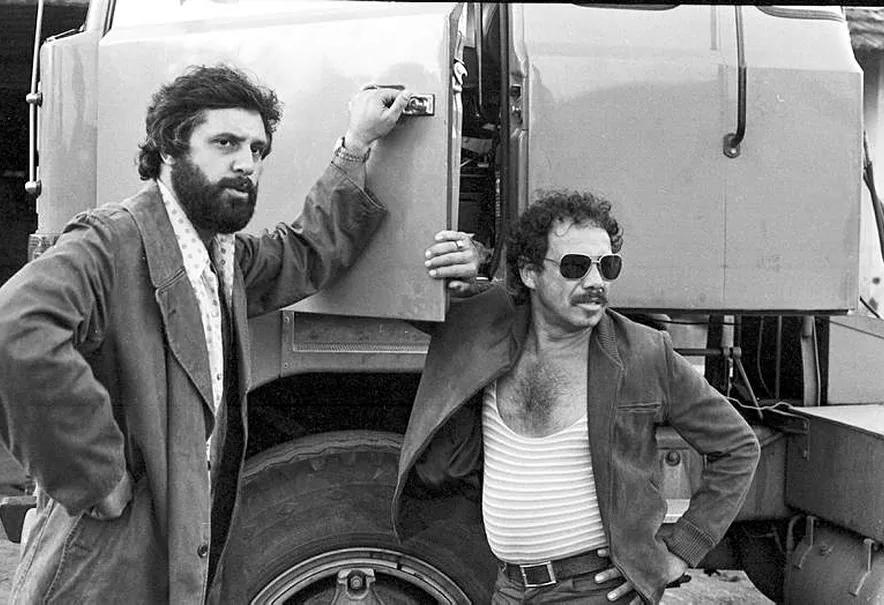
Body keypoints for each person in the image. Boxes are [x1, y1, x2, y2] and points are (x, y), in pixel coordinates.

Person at [0, 64, 409, 604]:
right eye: (225, 143)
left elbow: (304, 252)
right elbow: (15, 330)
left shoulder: (222, 256)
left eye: (258, 150)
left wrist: (356, 146)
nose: (246, 163)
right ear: (171, 147)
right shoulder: (110, 242)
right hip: (104, 565)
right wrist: (94, 475)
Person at [399, 191, 761, 604]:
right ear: (530, 273)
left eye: (607, 266)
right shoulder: (486, 331)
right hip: (509, 589)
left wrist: (680, 552)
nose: (595, 282)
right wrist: (461, 259)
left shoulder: (643, 353)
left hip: (594, 591)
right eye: (575, 266)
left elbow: (738, 446)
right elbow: (406, 292)